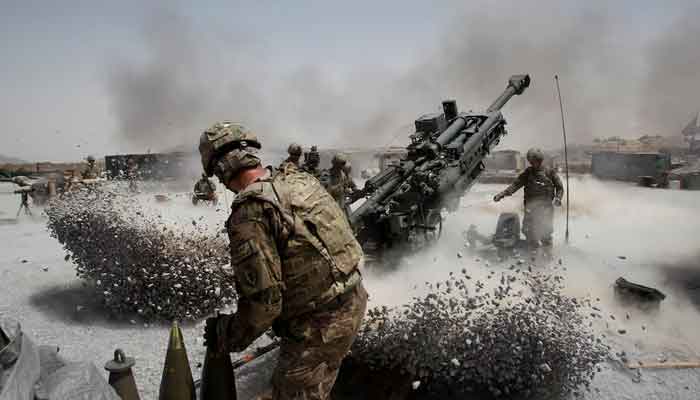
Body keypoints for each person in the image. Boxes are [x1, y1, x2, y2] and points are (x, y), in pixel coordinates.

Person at [198, 121, 367, 400]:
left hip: (318, 328)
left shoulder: (251, 210)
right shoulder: (299, 179)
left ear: (221, 167)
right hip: (352, 300)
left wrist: (227, 333)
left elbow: (264, 305)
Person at [493, 148, 563, 256]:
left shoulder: (549, 172)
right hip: (531, 208)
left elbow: (560, 188)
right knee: (528, 230)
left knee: (546, 232)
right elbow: (516, 185)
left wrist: (558, 198)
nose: (533, 163)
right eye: (531, 161)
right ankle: (532, 255)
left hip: (546, 209)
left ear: (540, 160)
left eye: (534, 161)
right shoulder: (528, 173)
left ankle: (547, 257)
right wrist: (502, 194)